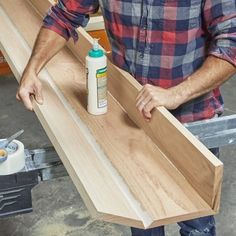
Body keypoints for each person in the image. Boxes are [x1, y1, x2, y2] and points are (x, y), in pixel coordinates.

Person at [17, 0, 236, 235]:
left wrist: (176, 94)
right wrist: (32, 70)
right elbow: (65, 14)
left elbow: (231, 43)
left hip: (192, 121)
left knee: (197, 227)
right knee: (144, 219)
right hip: (132, 116)